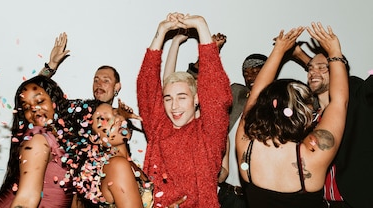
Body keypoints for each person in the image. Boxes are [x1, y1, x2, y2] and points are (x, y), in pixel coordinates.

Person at [235, 23, 348, 207]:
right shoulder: (312, 156)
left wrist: (278, 50)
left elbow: (255, 96)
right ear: (302, 113)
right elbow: (339, 102)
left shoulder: (246, 144)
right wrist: (335, 50)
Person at [137, 12, 231, 207]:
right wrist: (161, 31)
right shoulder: (158, 128)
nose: (174, 106)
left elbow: (217, 96)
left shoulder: (208, 134)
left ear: (196, 99)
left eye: (182, 97)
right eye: (168, 98)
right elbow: (147, 85)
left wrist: (201, 26)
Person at [0, 75, 96, 207]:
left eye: (39, 101)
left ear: (55, 101)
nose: (33, 109)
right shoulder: (37, 140)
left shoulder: (64, 137)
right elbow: (26, 199)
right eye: (26, 107)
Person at [292, 35, 373, 208]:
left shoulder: (356, 100)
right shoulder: (310, 117)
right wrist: (300, 54)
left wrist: (333, 56)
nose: (313, 72)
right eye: (310, 68)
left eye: (323, 68)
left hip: (355, 201)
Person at [218, 53, 267, 208]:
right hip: (229, 194)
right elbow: (204, 92)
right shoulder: (237, 96)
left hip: (260, 197)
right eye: (246, 73)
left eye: (255, 71)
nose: (250, 77)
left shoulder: (277, 107)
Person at [39, 33, 122, 105]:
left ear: (116, 87)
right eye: (96, 80)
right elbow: (33, 89)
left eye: (106, 81)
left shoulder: (122, 120)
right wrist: (51, 65)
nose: (99, 84)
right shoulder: (77, 110)